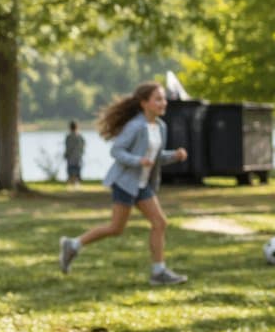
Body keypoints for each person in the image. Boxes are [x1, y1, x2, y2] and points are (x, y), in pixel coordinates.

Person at [59, 83, 190, 284]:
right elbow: (117, 151)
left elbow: (155, 156)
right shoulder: (136, 126)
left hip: (142, 184)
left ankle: (158, 272)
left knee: (159, 223)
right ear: (144, 103)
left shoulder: (161, 127)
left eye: (163, 99)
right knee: (116, 228)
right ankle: (73, 244)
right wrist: (137, 161)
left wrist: (174, 155)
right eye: (158, 99)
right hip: (125, 183)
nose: (163, 103)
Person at [64, 120, 86, 189]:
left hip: (71, 157)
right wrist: (81, 152)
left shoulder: (69, 137)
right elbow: (83, 145)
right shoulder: (80, 136)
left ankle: (72, 184)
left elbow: (68, 147)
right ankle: (76, 184)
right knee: (77, 171)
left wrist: (66, 154)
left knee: (71, 171)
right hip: (78, 156)